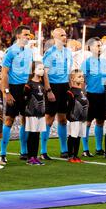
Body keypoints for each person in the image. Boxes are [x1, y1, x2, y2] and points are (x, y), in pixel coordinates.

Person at [0, 25, 33, 164]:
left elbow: (29, 71)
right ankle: (2, 153)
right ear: (18, 36)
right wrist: (6, 92)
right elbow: (4, 73)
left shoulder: (30, 51)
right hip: (13, 88)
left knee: (25, 119)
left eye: (29, 35)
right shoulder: (10, 51)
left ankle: (23, 151)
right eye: (26, 34)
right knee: (9, 120)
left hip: (25, 88)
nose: (28, 37)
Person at [42, 28, 73, 160]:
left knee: (63, 119)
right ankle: (43, 151)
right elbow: (45, 73)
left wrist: (72, 88)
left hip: (65, 86)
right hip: (53, 86)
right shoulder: (50, 52)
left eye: (65, 35)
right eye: (61, 35)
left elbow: (69, 72)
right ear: (54, 37)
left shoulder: (68, 52)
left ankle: (64, 149)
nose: (64, 37)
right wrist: (48, 90)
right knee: (49, 118)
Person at [81, 37, 106, 157]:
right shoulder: (86, 62)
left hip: (102, 95)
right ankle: (85, 149)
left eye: (100, 45)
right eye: (97, 46)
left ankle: (99, 148)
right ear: (90, 48)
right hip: (90, 95)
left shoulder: (105, 62)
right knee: (87, 122)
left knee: (100, 122)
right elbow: (82, 80)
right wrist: (82, 95)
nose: (99, 48)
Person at [24, 61, 47, 165]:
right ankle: (30, 157)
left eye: (43, 69)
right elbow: (25, 98)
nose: (42, 71)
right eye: (39, 68)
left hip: (41, 113)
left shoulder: (42, 84)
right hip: (32, 113)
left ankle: (35, 156)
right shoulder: (29, 85)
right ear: (33, 70)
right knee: (32, 133)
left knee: (37, 134)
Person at [66, 69, 88, 163]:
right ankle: (70, 156)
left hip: (82, 118)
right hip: (74, 118)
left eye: (82, 76)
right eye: (79, 76)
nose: (82, 78)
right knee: (73, 136)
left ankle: (76, 155)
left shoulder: (82, 91)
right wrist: (70, 117)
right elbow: (68, 106)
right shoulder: (71, 92)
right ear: (72, 79)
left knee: (79, 136)